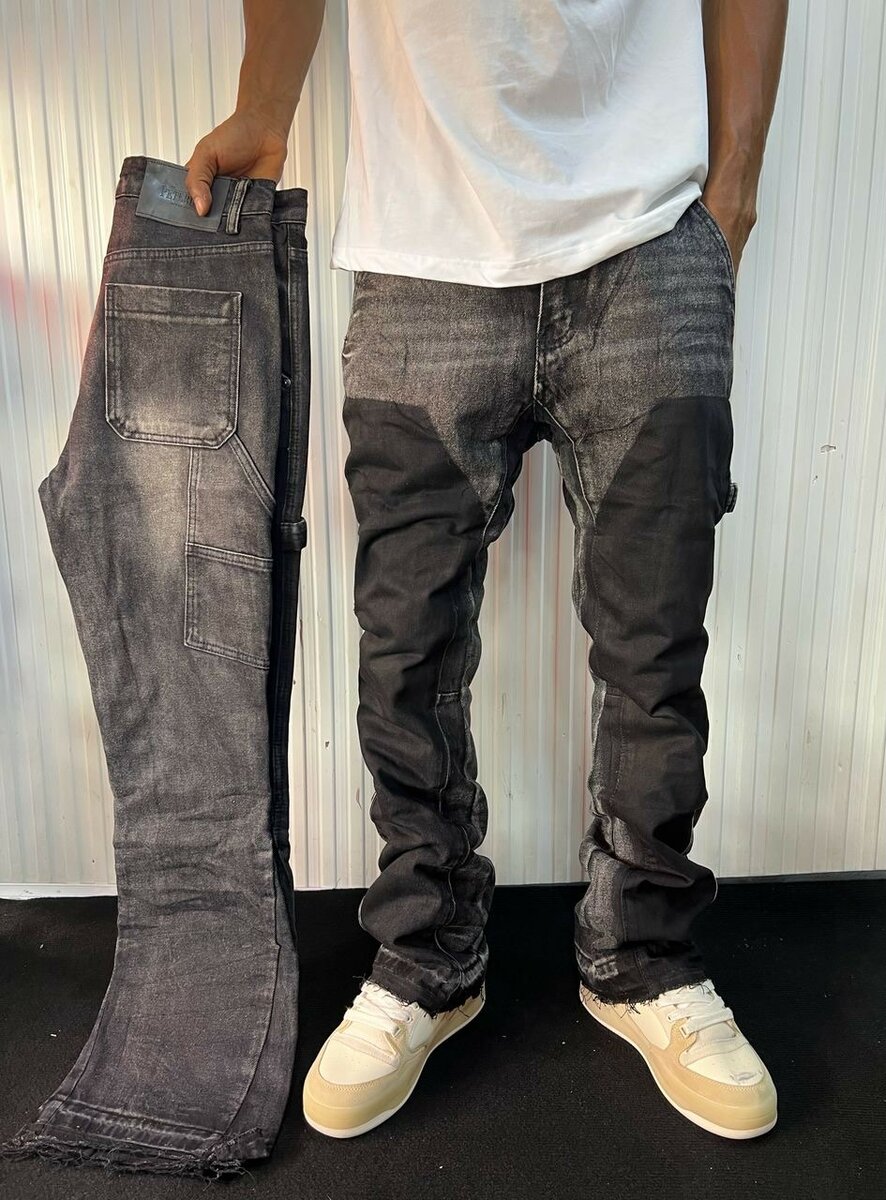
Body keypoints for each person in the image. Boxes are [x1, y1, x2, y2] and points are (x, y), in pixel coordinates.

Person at [186, 0, 788, 1142]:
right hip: (421, 253)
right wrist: (264, 105)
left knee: (655, 650)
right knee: (404, 655)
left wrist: (733, 196)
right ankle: (427, 956)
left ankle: (644, 957)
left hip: (651, 240)